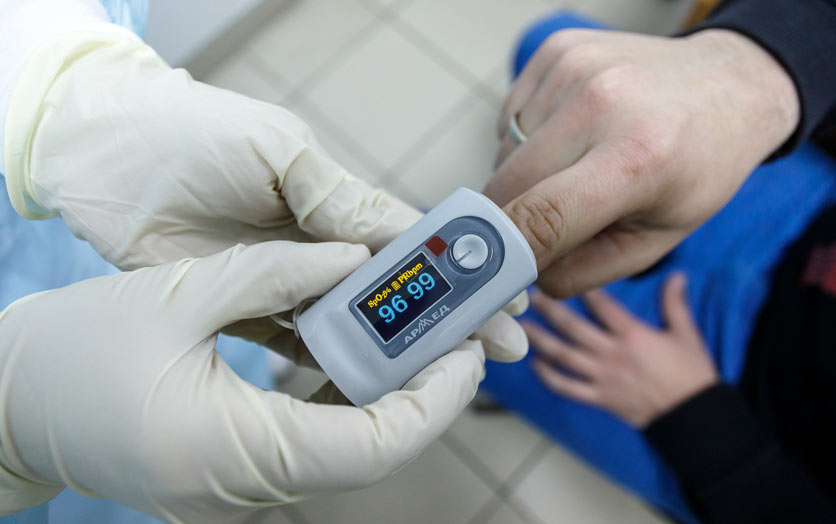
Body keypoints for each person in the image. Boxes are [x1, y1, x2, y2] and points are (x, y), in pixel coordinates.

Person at [0, 1, 529, 523]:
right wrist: (12, 422)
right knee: (157, 463)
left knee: (234, 338)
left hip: (87, 221)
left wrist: (56, 91)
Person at [479, 3, 836, 522]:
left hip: (733, 406)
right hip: (807, 211)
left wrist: (698, 417)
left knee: (444, 324)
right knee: (552, 44)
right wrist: (762, 68)